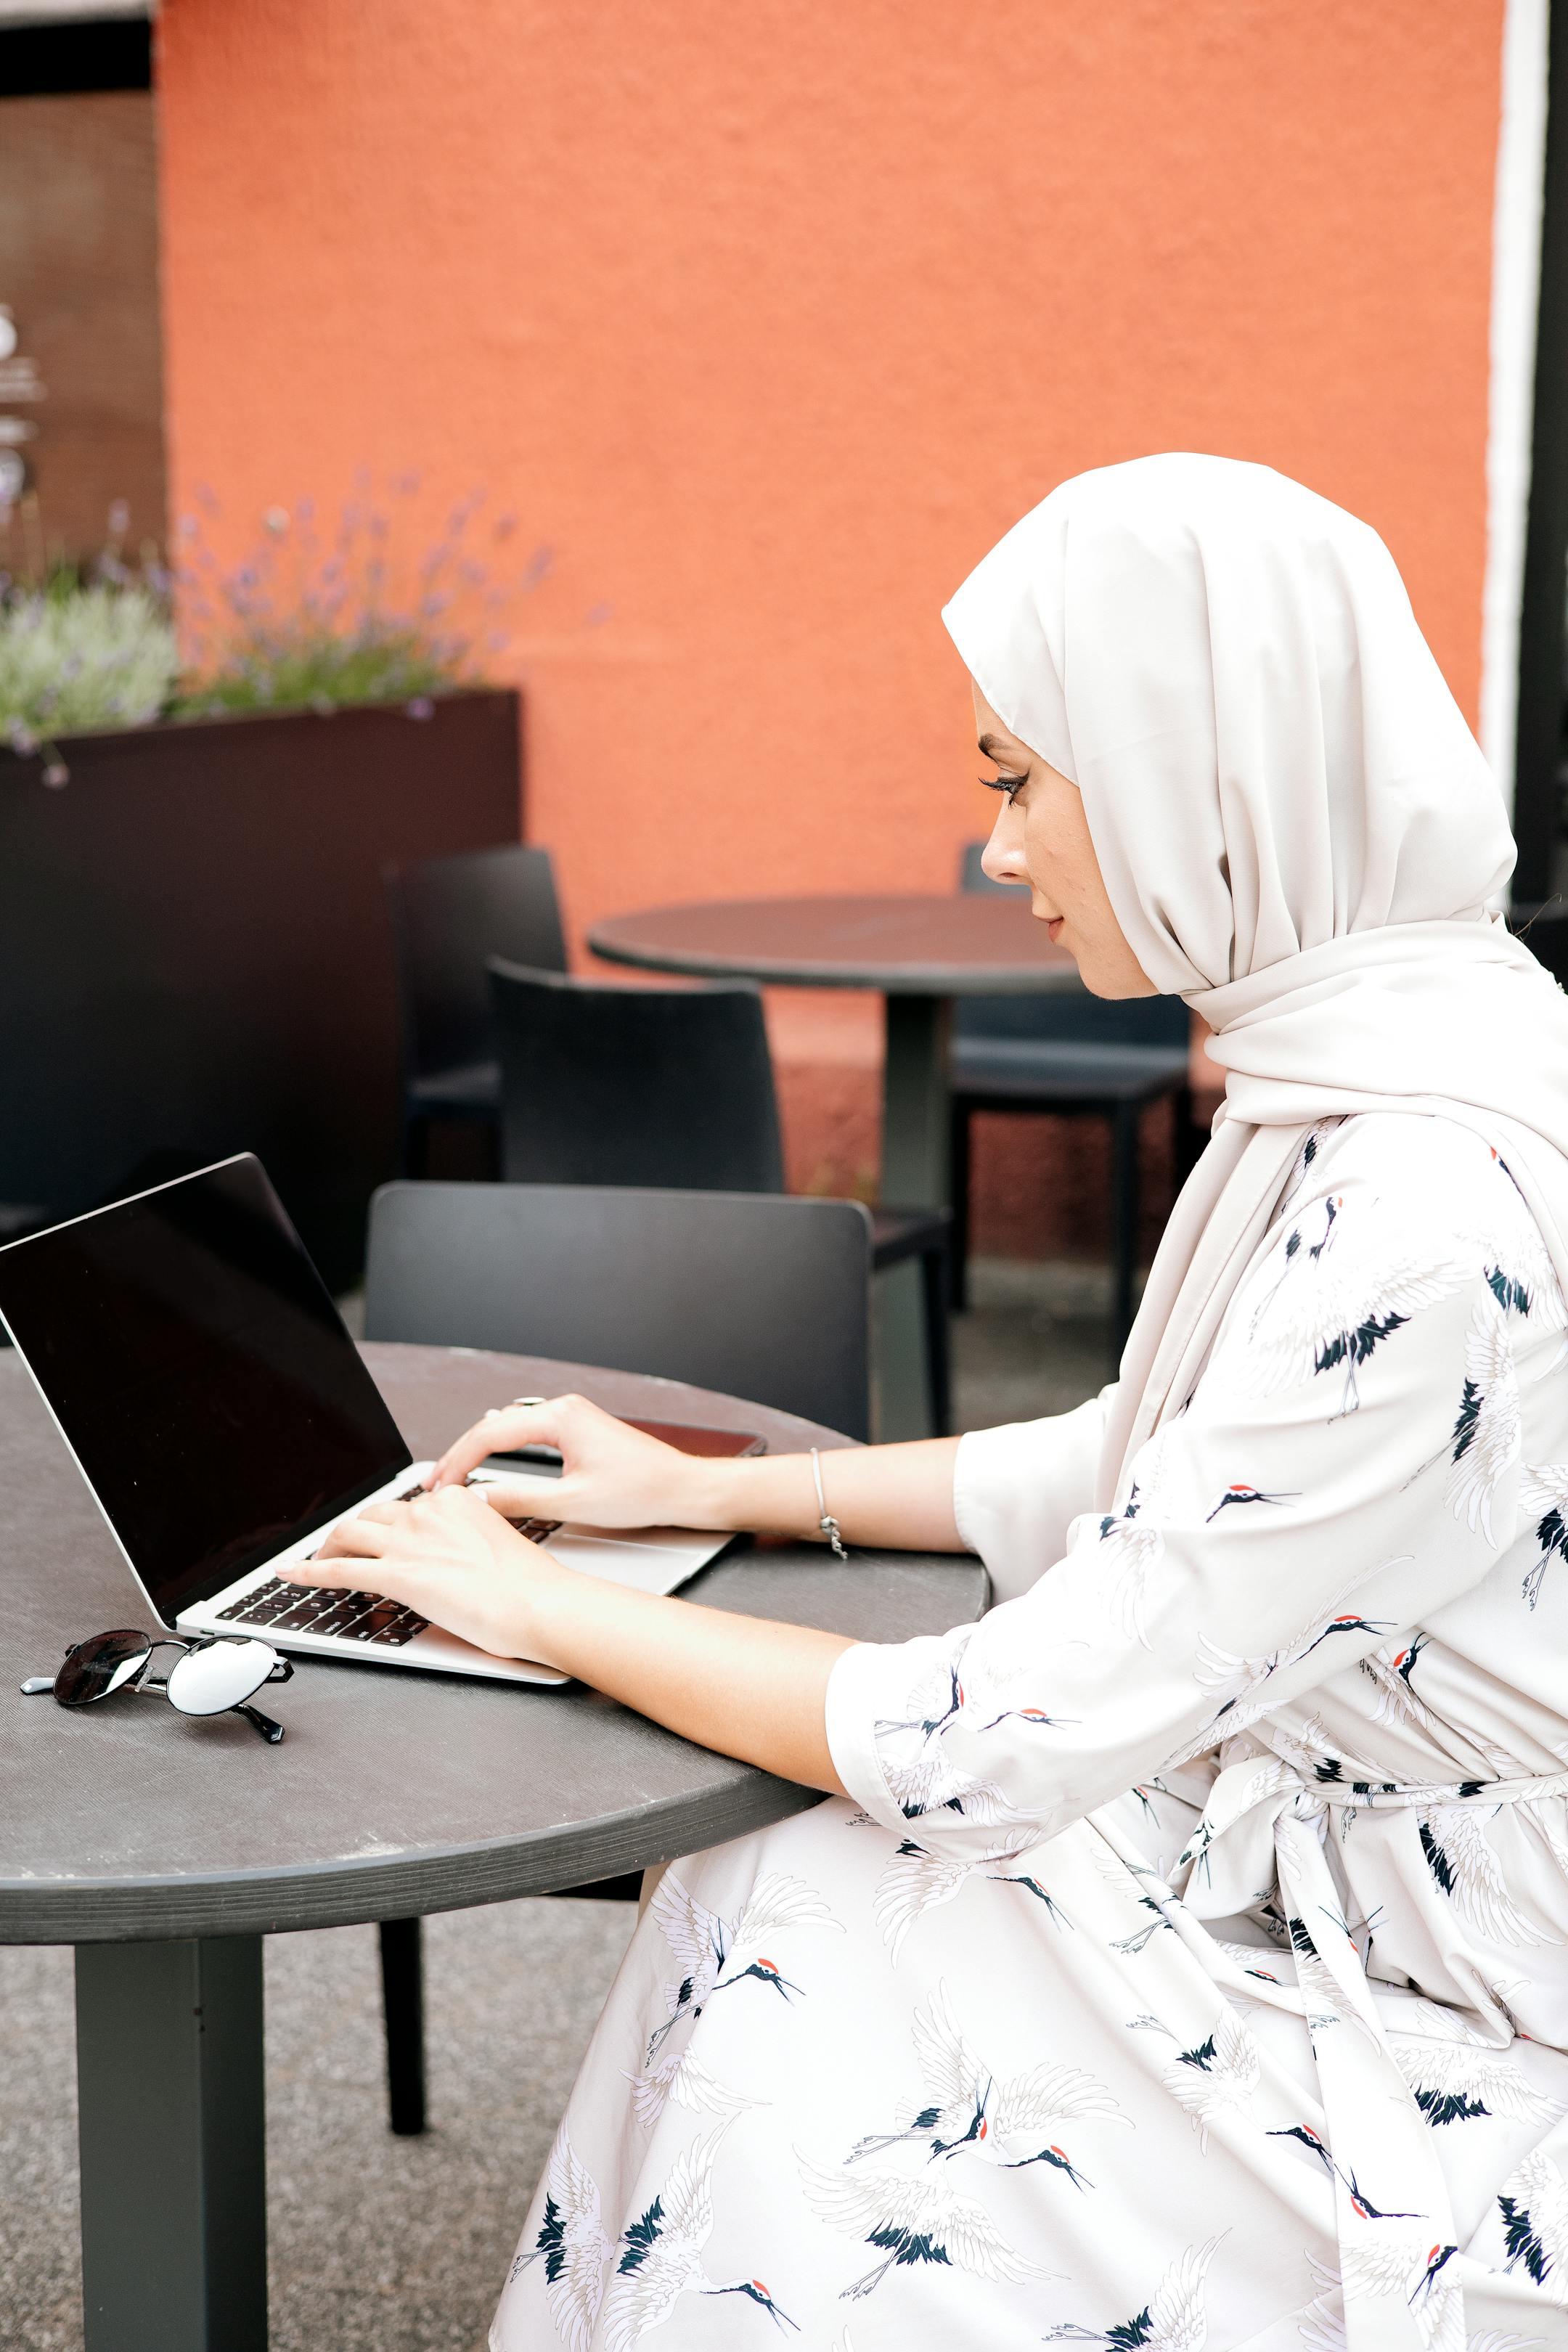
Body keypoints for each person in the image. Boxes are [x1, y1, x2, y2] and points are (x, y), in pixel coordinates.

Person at [301, 455, 1568, 2349]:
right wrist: (696, 1497)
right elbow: (1144, 1464)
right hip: (1331, 1846)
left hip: (1445, 1986)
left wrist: (531, 1603)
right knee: (786, 1886)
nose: (993, 847)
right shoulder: (1403, 1040)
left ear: (1181, 768)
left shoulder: (1411, 1201)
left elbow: (994, 1736)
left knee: (806, 1922)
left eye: (1012, 778)